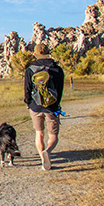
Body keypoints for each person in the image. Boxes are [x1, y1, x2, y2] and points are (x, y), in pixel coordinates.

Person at [24, 43, 65, 171]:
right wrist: (56, 104)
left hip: (35, 107)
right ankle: (48, 151)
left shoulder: (30, 69)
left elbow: (27, 90)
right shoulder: (57, 70)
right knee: (53, 135)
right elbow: (60, 90)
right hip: (51, 107)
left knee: (39, 133)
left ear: (35, 54)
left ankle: (43, 160)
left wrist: (28, 103)